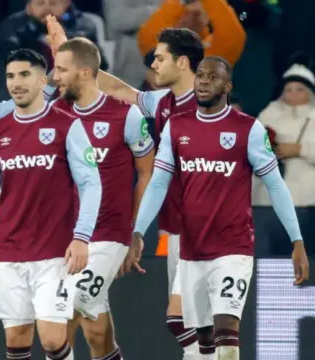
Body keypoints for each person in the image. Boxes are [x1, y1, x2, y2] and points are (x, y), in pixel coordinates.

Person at [130, 56, 310, 360]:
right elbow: (159, 183)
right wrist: (137, 231)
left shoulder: (248, 129)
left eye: (212, 77)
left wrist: (297, 239)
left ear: (227, 86)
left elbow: (276, 186)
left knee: (226, 327)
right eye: (200, 75)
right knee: (202, 340)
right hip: (191, 250)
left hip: (233, 247)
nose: (203, 81)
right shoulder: (177, 127)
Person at [47, 19, 207, 358]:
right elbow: (120, 91)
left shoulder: (212, 103)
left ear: (182, 62)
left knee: (195, 322)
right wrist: (69, 52)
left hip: (208, 229)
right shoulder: (162, 102)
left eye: (160, 57)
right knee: (175, 322)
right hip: (176, 227)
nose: (152, 64)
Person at [0, 48, 102, 360]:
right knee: (16, 341)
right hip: (10, 251)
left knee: (53, 340)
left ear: (43, 80)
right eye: (11, 76)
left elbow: (91, 184)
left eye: (24, 74)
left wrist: (82, 237)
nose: (16, 82)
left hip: (55, 252)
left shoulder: (68, 125)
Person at [50, 37, 155, 360]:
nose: (55, 77)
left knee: (64, 311)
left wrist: (136, 233)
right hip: (66, 235)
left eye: (61, 70)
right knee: (96, 331)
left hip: (110, 234)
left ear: (84, 73)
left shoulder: (127, 116)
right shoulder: (55, 113)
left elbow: (147, 174)